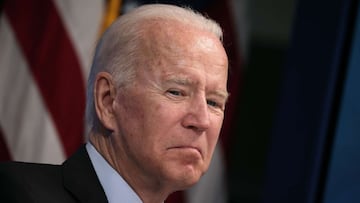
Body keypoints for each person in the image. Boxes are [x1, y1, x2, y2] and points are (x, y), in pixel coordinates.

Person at [0, 3, 229, 203]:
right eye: (176, 92)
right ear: (108, 100)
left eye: (213, 102)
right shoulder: (15, 193)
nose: (201, 120)